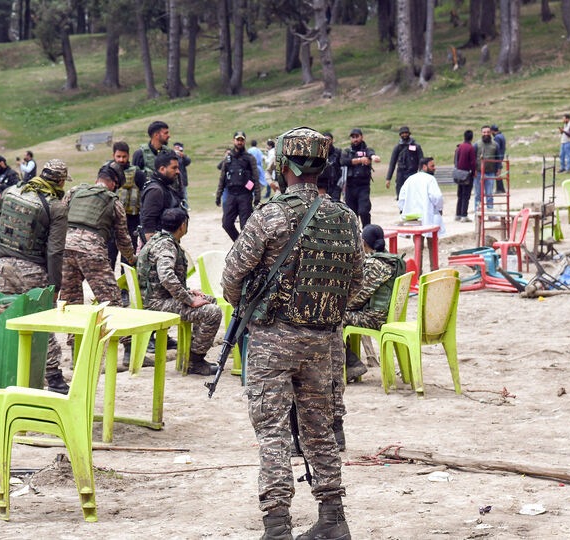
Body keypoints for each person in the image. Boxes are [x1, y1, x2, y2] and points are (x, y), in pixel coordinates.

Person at [222, 127, 362, 540]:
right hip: (323, 340)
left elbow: (232, 275)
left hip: (272, 340)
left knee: (273, 431)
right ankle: (333, 518)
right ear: (322, 166)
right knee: (320, 427)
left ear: (282, 165)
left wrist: (248, 305)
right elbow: (354, 285)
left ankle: (278, 524)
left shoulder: (271, 214)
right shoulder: (345, 218)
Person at [0, 159, 70, 393]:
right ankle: (53, 378)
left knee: (6, 319)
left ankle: (5, 372)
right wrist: (54, 287)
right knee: (42, 323)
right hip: (33, 270)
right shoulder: (56, 207)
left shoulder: (10, 192)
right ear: (60, 181)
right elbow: (55, 251)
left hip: (4, 266)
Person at [62, 162, 136, 369]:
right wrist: (132, 259)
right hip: (91, 252)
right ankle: (128, 351)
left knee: (71, 302)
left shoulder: (74, 191)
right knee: (111, 301)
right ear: (113, 184)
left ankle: (76, 356)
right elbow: (123, 238)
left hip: (65, 249)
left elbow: (58, 218)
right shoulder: (114, 202)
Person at [137, 207, 220, 376]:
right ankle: (194, 361)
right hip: (157, 304)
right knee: (212, 312)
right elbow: (166, 276)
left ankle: (192, 354)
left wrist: (189, 292)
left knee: (209, 300)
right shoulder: (166, 246)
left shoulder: (158, 240)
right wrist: (189, 300)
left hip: (157, 297)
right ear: (183, 225)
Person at [341, 223, 405, 381]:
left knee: (334, 318)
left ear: (363, 242)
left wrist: (340, 306)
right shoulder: (393, 260)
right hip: (388, 316)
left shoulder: (375, 265)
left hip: (374, 318)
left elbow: (359, 297)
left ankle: (351, 364)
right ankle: (352, 363)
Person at [215, 131, 260, 241]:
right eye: (237, 140)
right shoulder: (228, 158)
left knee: (245, 227)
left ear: (244, 141)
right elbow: (222, 178)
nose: (239, 142)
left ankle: (245, 249)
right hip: (231, 195)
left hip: (245, 196)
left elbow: (255, 178)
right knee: (226, 223)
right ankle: (239, 244)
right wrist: (218, 195)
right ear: (233, 141)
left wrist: (257, 196)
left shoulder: (249, 158)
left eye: (242, 140)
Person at [109, 141, 146, 266]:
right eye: (118, 156)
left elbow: (145, 195)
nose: (121, 159)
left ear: (128, 156)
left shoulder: (138, 174)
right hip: (111, 220)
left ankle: (126, 285)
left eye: (124, 156)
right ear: (113, 155)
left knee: (128, 259)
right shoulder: (107, 172)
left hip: (131, 220)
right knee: (109, 256)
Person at [340, 127, 380, 226]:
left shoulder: (367, 150)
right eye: (353, 137)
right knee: (352, 214)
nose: (355, 139)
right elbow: (343, 161)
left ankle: (367, 232)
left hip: (363, 187)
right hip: (349, 187)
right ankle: (355, 236)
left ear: (362, 137)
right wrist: (360, 160)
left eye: (357, 137)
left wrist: (374, 157)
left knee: (364, 210)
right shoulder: (347, 151)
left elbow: (371, 154)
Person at [140, 151, 182, 242]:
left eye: (178, 168)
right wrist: (155, 250)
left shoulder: (164, 186)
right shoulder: (155, 190)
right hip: (158, 248)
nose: (178, 171)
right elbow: (148, 225)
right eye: (174, 168)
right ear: (162, 169)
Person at [398, 157, 445, 237]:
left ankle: (419, 250)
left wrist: (402, 210)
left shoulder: (410, 179)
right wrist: (439, 208)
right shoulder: (430, 179)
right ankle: (431, 250)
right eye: (432, 166)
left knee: (417, 237)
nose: (434, 168)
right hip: (428, 214)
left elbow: (402, 197)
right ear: (424, 167)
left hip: (413, 215)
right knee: (431, 237)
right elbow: (437, 197)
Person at [386, 126, 423, 197]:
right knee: (400, 195)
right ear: (400, 135)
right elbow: (392, 163)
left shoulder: (416, 146)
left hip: (412, 173)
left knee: (413, 195)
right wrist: (388, 178)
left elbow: (421, 161)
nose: (404, 135)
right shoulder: (397, 147)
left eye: (406, 133)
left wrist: (421, 175)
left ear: (409, 134)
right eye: (402, 133)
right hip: (401, 174)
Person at [475, 126, 500, 213]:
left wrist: (498, 169)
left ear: (490, 133)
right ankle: (477, 213)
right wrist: (474, 170)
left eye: (488, 132)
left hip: (490, 173)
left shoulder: (495, 145)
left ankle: (490, 213)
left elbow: (498, 159)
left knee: (489, 194)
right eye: (484, 132)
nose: (486, 134)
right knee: (478, 194)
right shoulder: (477, 144)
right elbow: (473, 158)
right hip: (478, 173)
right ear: (481, 133)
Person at [453, 130, 476, 222]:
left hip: (459, 173)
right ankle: (464, 215)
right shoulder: (470, 148)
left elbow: (456, 160)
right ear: (471, 137)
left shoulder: (459, 147)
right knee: (466, 195)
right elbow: (473, 162)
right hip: (467, 174)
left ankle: (457, 214)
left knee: (460, 194)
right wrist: (474, 172)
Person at [318, 132, 343, 202]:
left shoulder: (338, 153)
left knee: (335, 202)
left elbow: (343, 165)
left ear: (332, 140)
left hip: (335, 184)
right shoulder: (318, 154)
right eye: (325, 140)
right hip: (321, 184)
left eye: (328, 139)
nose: (327, 142)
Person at [491, 125, 507, 193]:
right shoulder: (502, 136)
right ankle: (500, 188)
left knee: (497, 173)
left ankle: (500, 188)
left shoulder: (496, 138)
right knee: (498, 172)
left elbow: (496, 147)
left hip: (497, 157)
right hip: (501, 156)